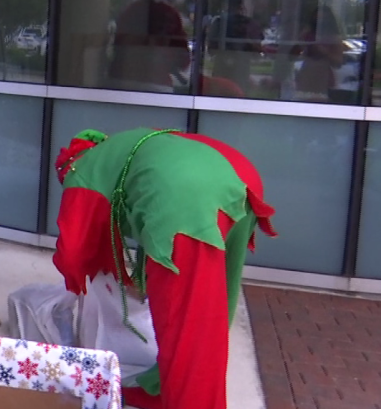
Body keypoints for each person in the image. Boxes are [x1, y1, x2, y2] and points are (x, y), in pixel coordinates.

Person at [52, 127, 277, 409]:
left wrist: (76, 285)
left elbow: (73, 254)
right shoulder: (124, 150)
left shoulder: (79, 171)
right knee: (212, 314)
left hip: (187, 198)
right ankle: (161, 387)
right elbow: (149, 210)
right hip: (239, 179)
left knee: (186, 328)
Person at [106, 0, 192, 93]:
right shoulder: (169, 14)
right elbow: (181, 55)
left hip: (119, 76)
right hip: (153, 82)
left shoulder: (131, 9)